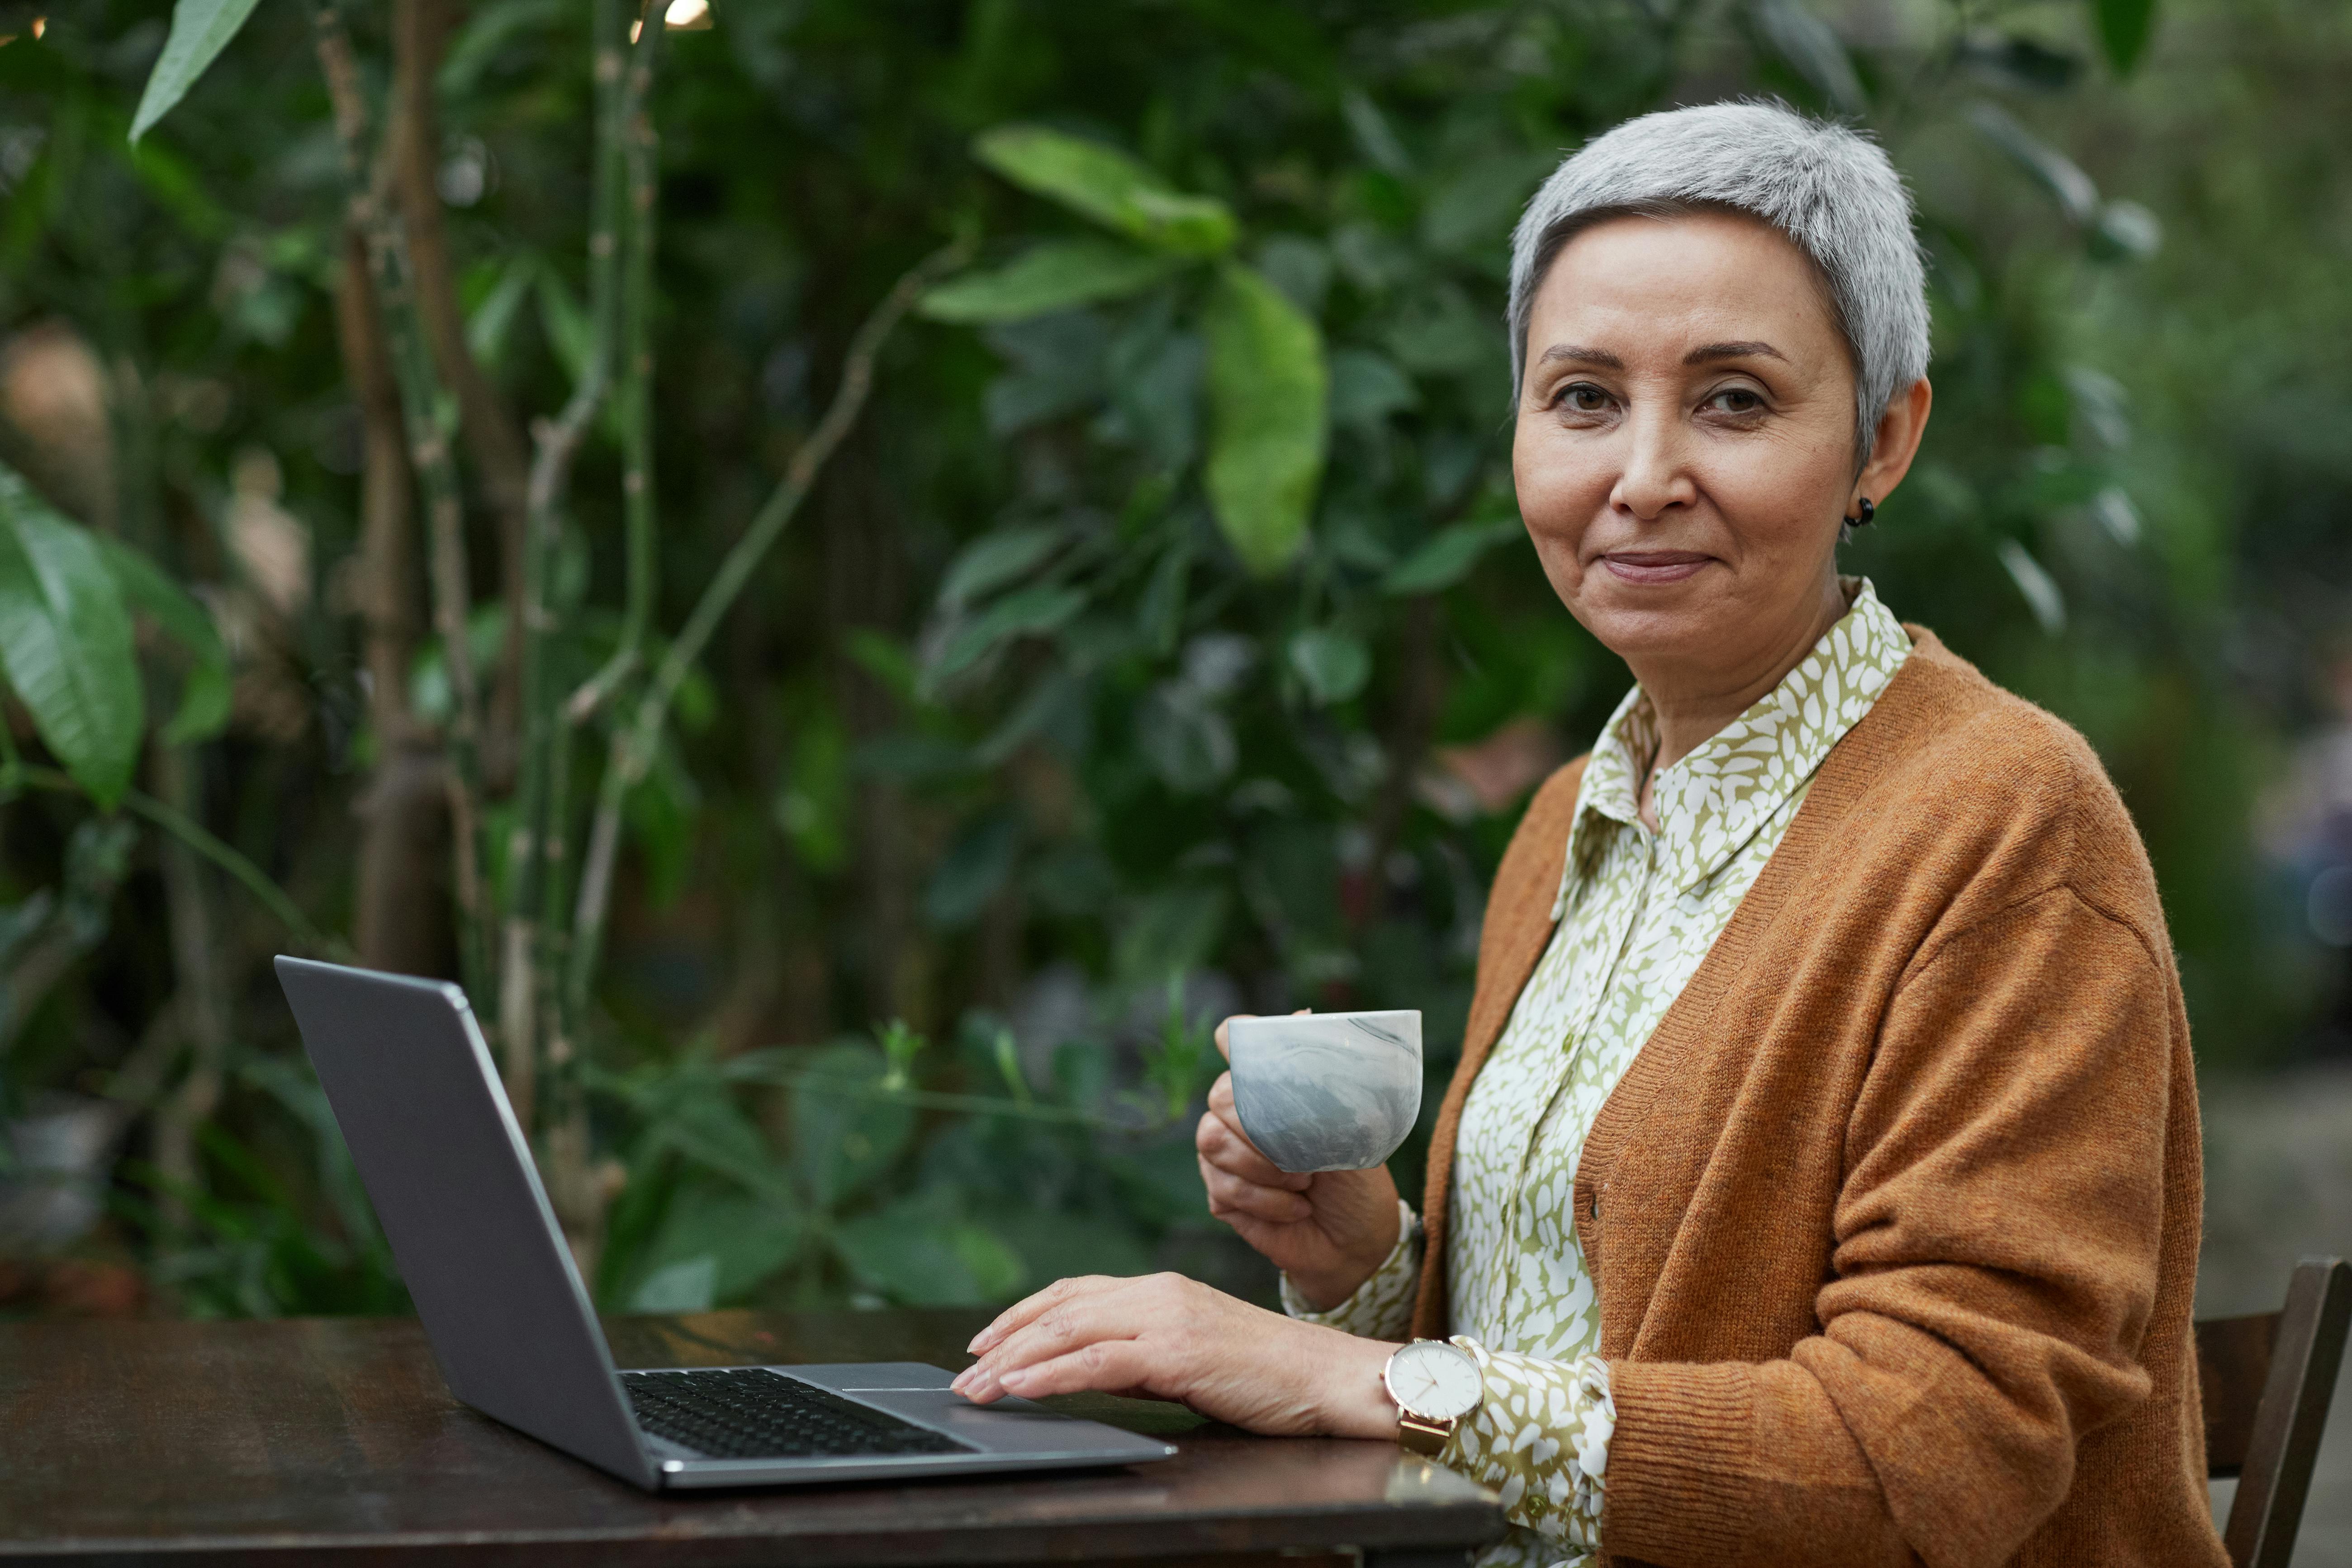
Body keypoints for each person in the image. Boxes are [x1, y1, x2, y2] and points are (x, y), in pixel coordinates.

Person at [951, 102, 2227, 1568]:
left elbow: (1933, 1456)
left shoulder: (2007, 829)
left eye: (1735, 400)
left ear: (1883, 437)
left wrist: (1345, 1376)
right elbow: (1536, 1371)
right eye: (1582, 398)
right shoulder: (1575, 814)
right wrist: (1366, 1270)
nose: (1642, 473)